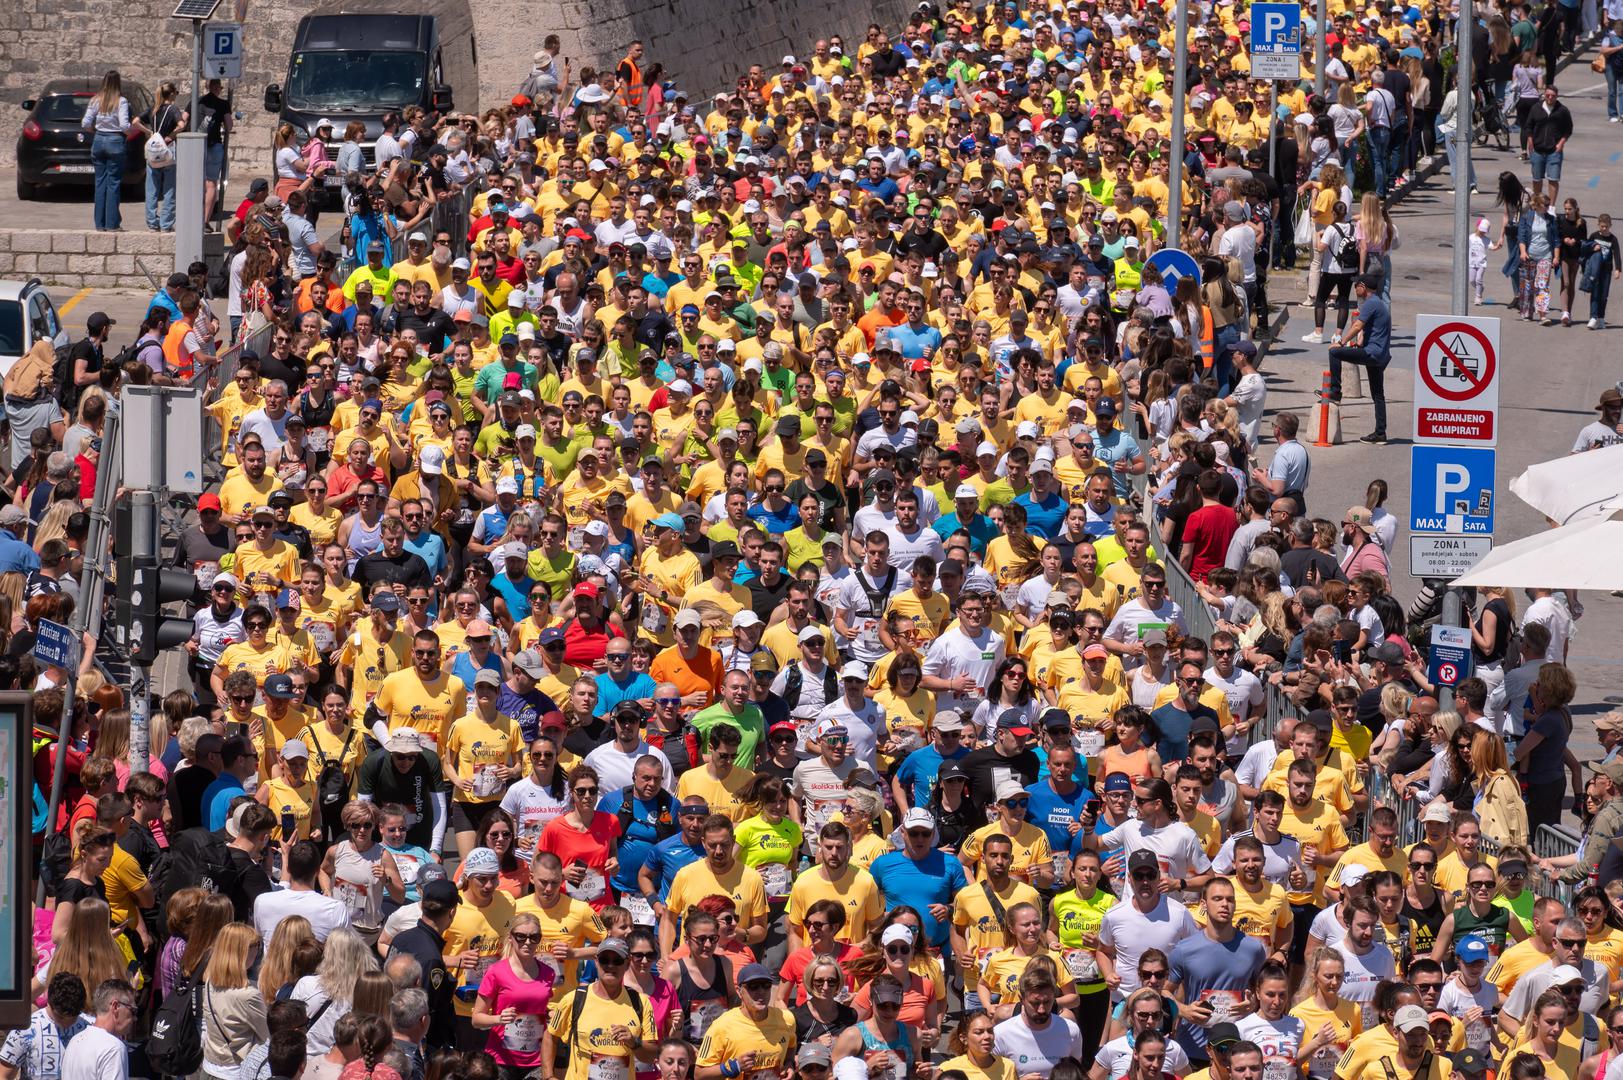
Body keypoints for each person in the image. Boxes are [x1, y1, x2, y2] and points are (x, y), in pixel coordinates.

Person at [1326, 275, 1392, 445]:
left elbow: (1357, 325)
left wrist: (1340, 342)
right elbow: (1372, 329)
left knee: (1334, 352)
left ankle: (1335, 392)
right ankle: (1380, 433)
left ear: (1363, 286)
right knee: (1378, 395)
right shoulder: (1379, 303)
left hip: (1372, 353)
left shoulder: (1371, 302)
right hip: (1380, 355)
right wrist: (1361, 342)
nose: (1355, 289)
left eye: (1356, 285)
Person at [59, 978, 135, 1080]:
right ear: (115, 1007)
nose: (135, 1018)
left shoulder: (74, 1040)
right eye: (133, 1010)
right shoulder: (114, 1048)